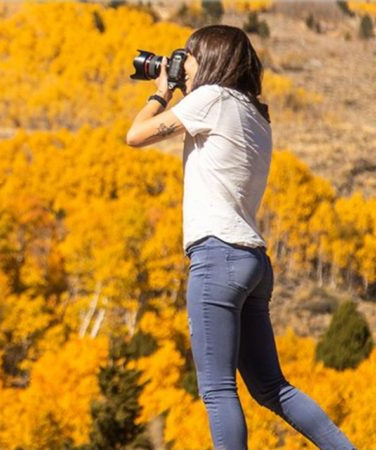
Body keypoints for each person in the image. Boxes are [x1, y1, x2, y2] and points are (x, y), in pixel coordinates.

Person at [125, 25, 356, 450]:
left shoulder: (211, 99)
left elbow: (135, 135)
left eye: (188, 58)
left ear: (211, 60)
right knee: (272, 388)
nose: (183, 67)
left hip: (216, 256)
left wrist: (162, 91)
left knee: (217, 389)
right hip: (252, 259)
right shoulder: (255, 114)